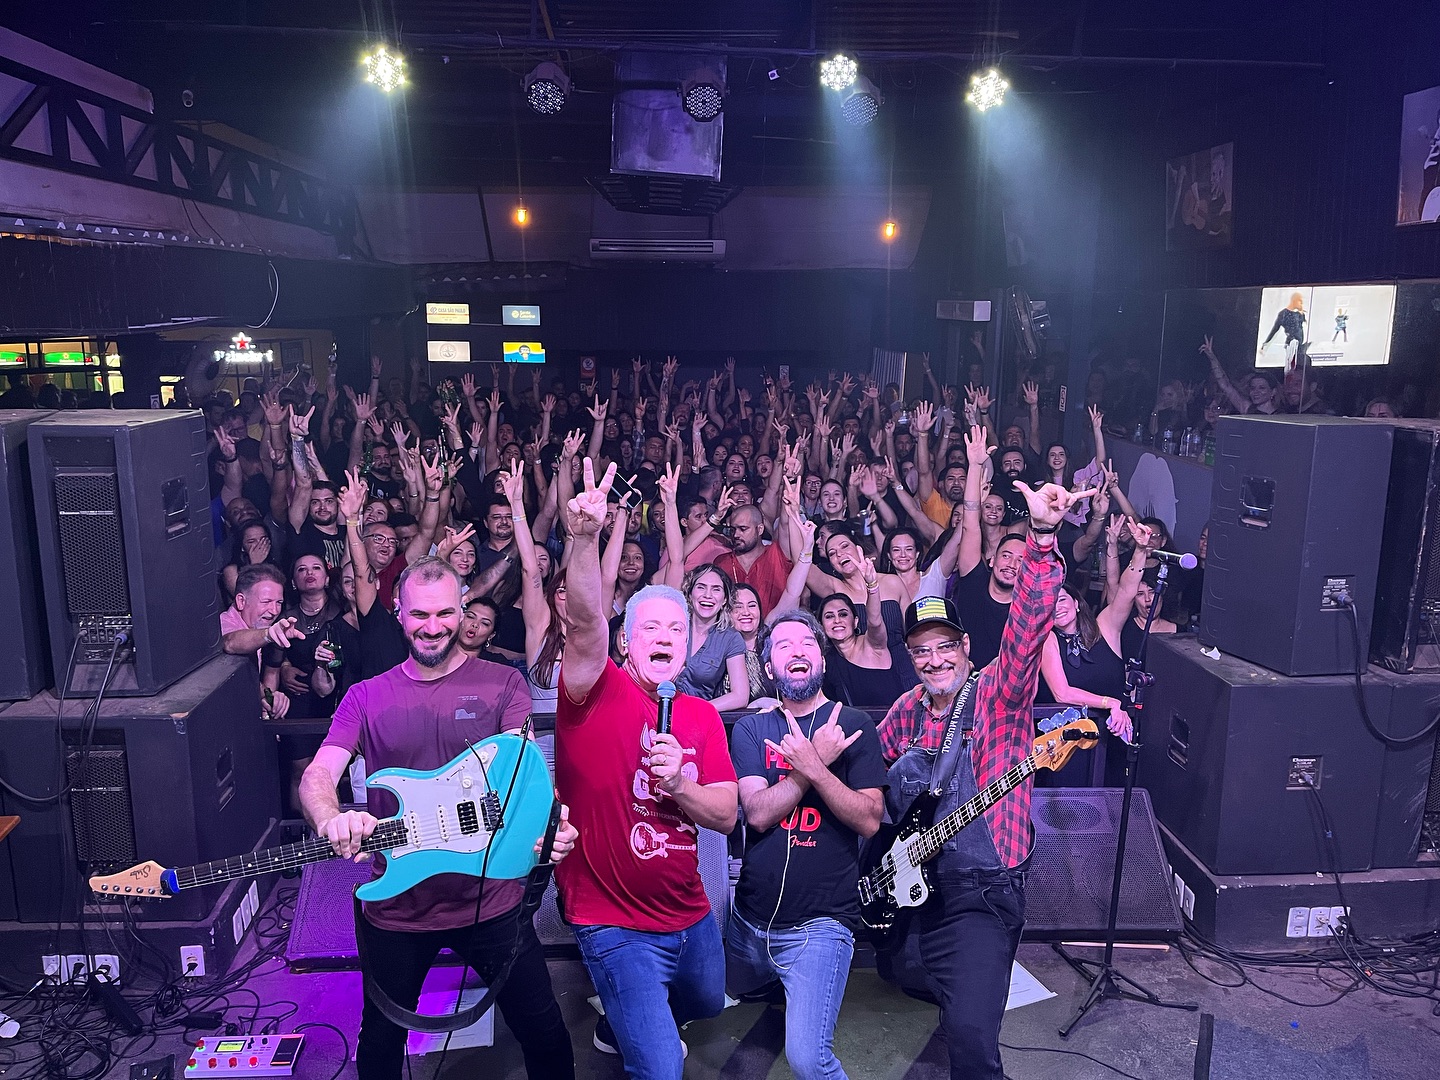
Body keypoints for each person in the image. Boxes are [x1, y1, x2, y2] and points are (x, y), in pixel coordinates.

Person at [297, 557, 579, 1080]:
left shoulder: (503, 685)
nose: (433, 627)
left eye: (446, 613)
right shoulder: (365, 696)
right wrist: (330, 818)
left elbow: (525, 777)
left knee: (545, 1032)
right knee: (380, 1040)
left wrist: (548, 826)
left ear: (462, 608)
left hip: (492, 901)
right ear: (398, 612)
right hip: (398, 907)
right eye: (420, 615)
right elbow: (317, 777)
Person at [876, 479, 1091, 1080]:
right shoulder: (904, 712)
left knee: (970, 1033)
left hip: (983, 889)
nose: (935, 659)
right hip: (919, 889)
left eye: (945, 646)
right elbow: (870, 780)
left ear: (966, 647)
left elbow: (1027, 628)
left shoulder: (997, 692)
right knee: (901, 970)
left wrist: (1044, 537)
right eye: (921, 651)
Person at [554, 459, 737, 1080]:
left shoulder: (701, 716)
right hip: (611, 918)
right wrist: (583, 538)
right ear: (626, 641)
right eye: (650, 627)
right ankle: (634, 1020)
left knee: (710, 1002)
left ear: (688, 645)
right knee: (661, 1070)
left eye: (677, 629)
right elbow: (582, 622)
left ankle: (627, 1018)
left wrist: (681, 784)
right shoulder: (593, 689)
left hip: (688, 910)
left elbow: (727, 811)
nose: (665, 636)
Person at [726, 609, 885, 1080]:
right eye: (783, 645)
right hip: (749, 921)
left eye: (807, 644)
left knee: (808, 1061)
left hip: (820, 927)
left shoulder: (852, 725)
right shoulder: (753, 729)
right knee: (706, 992)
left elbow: (869, 820)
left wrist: (814, 766)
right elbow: (756, 813)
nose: (797, 651)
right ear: (770, 667)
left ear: (821, 658)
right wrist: (815, 763)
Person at [715, 504, 793, 614]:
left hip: (775, 628)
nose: (736, 535)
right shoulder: (722, 562)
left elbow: (785, 524)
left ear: (760, 529)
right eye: (733, 530)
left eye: (743, 529)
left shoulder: (776, 553)